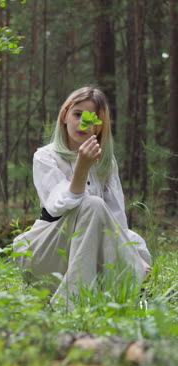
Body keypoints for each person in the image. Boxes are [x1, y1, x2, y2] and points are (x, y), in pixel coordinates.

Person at [13, 87, 151, 307]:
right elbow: (57, 206)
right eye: (78, 114)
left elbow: (116, 217)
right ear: (64, 116)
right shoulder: (45, 157)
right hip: (48, 253)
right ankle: (68, 307)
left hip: (88, 252)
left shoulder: (106, 162)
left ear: (101, 127)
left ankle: (115, 298)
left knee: (136, 246)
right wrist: (81, 168)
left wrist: (135, 256)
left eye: (94, 119)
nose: (83, 123)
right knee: (93, 204)